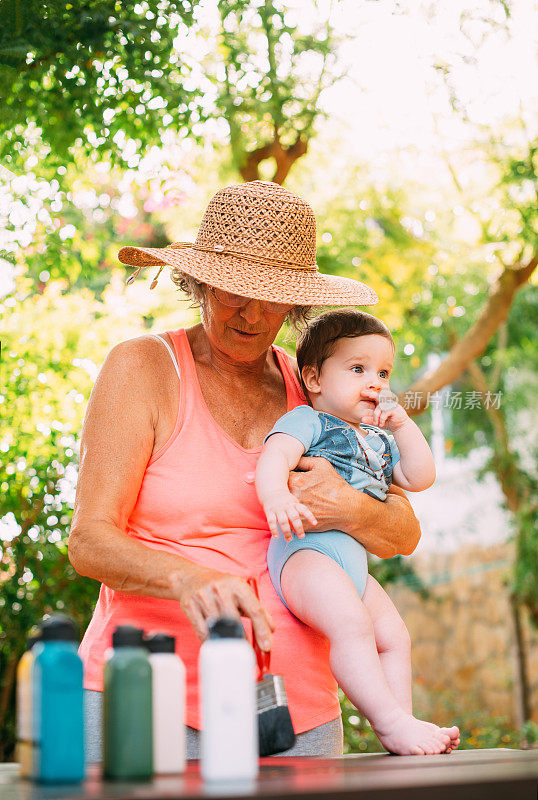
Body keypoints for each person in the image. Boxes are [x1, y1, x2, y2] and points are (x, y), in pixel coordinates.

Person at [69, 180, 423, 761]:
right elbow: (89, 542)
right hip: (148, 700)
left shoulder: (315, 387)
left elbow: (402, 532)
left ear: (296, 303)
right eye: (234, 289)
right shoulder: (144, 368)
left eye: (272, 296)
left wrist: (347, 503)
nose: (251, 312)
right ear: (201, 280)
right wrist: (190, 578)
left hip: (296, 714)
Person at [255, 309, 460, 755]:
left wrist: (402, 425)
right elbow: (274, 456)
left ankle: (401, 723)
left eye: (383, 372)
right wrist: (276, 497)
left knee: (394, 636)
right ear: (313, 379)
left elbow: (419, 476)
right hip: (304, 553)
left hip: (348, 563)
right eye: (358, 369)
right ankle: (388, 723)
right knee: (351, 625)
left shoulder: (378, 439)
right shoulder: (309, 421)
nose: (376, 383)